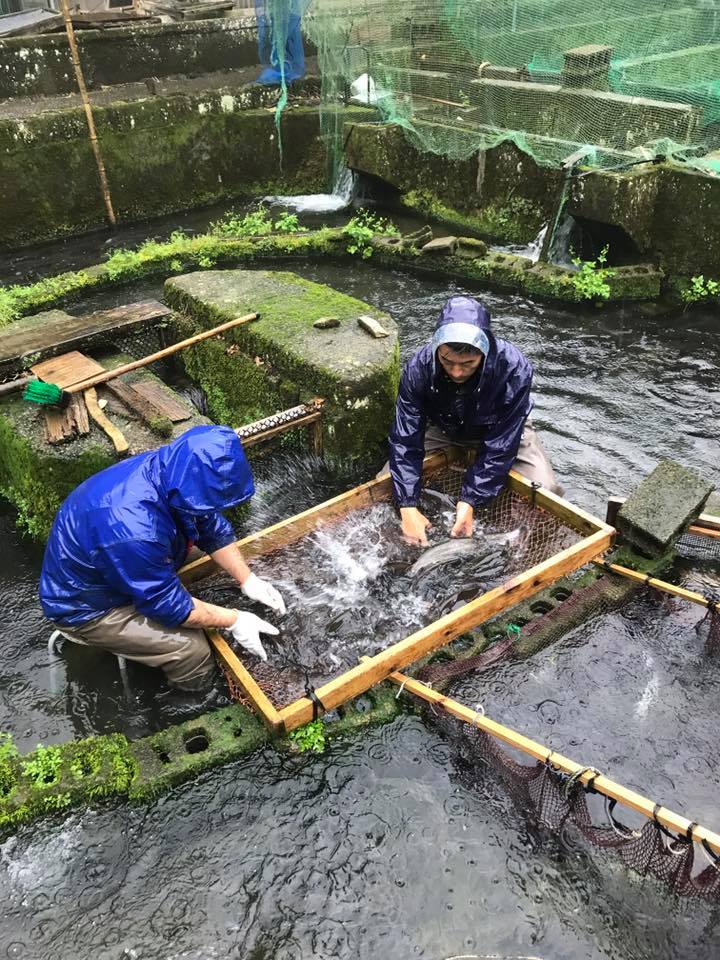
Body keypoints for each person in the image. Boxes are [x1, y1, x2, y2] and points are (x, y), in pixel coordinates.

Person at [40, 425, 286, 692]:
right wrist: (235, 620)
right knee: (192, 651)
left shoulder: (169, 469)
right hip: (89, 606)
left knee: (204, 564)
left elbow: (209, 526)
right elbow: (167, 605)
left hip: (121, 563)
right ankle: (191, 700)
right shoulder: (134, 530)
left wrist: (247, 578)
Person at [388, 295, 562, 546]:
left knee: (547, 490)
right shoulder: (418, 368)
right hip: (443, 427)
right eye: (447, 361)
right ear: (437, 348)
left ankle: (524, 545)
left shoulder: (513, 368)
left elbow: (502, 444)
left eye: (468, 363)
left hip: (502, 428)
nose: (456, 371)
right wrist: (407, 505)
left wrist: (469, 500)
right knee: (387, 482)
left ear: (484, 351)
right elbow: (405, 437)